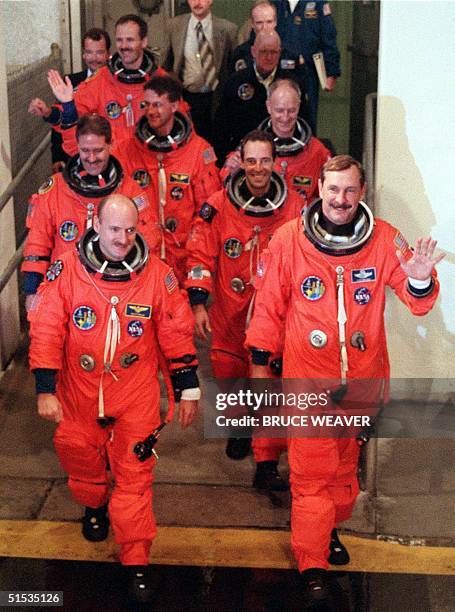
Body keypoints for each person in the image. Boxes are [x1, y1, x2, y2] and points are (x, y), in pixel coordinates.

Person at [245, 155, 443, 605]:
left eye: (350, 190)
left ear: (363, 190)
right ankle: (312, 563)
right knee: (311, 478)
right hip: (307, 384)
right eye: (333, 189)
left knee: (342, 477)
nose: (340, 199)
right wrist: (259, 370)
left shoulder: (384, 239)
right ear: (318, 187)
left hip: (362, 386)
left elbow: (418, 303)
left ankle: (330, 530)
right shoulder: (290, 240)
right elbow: (269, 307)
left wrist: (419, 279)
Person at [28, 193, 200, 604]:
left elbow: (177, 332)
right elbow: (47, 326)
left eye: (129, 229)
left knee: (135, 477)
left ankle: (136, 557)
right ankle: (92, 504)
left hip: (134, 393)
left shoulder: (158, 275)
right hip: (78, 391)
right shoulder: (68, 270)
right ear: (96, 228)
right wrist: (44, 388)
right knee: (79, 456)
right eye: (113, 229)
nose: (122, 238)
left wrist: (187, 389)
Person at [185, 130, 302, 490]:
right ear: (241, 161)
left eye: (264, 160)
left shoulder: (295, 207)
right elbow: (200, 253)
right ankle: (237, 426)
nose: (257, 168)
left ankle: (266, 462)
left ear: (275, 163)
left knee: (269, 384)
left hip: (275, 314)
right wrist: (198, 301)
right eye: (251, 160)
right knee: (230, 370)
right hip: (231, 310)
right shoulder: (218, 206)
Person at [21, 114, 158, 311]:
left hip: (113, 292)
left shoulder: (130, 192)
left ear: (110, 145)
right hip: (62, 289)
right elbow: (37, 245)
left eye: (98, 150)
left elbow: (149, 243)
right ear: (76, 146)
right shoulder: (55, 190)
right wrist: (32, 291)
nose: (91, 158)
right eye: (85, 150)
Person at [112, 75, 220, 283]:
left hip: (184, 257)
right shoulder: (127, 151)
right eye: (147, 105)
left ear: (175, 105)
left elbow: (208, 213)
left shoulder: (199, 151)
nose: (151, 111)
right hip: (140, 258)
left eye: (158, 105)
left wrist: (196, 261)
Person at [30, 15, 172, 146]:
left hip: (150, 160)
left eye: (130, 40)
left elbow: (179, 128)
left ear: (144, 41)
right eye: (119, 40)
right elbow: (73, 115)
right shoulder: (101, 79)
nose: (123, 46)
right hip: (113, 162)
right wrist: (50, 111)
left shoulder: (162, 81)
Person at [222, 78, 331, 206]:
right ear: (268, 107)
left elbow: (329, 196)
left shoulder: (318, 152)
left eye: (291, 110)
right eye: (279, 110)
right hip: (261, 220)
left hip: (298, 221)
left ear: (299, 106)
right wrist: (230, 171)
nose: (285, 117)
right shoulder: (250, 146)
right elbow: (225, 188)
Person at [215, 30, 309, 164]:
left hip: (286, 155)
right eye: (263, 52)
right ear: (253, 51)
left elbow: (306, 123)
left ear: (280, 52)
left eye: (273, 52)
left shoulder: (293, 83)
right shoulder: (236, 82)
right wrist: (225, 158)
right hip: (243, 157)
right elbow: (221, 128)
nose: (269, 57)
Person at [28, 28, 111, 173]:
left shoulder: (116, 83)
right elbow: (61, 125)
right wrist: (57, 157)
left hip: (109, 155)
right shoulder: (70, 83)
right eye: (89, 52)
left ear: (108, 54)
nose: (94, 58)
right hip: (75, 158)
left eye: (99, 52)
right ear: (83, 55)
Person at [161, 0, 237, 144]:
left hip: (216, 98)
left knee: (216, 143)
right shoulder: (174, 26)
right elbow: (166, 64)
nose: (197, 2)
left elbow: (233, 68)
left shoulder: (228, 29)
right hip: (186, 97)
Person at [271, 0, 341, 131]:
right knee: (278, 115)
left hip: (307, 72)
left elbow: (329, 37)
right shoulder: (275, 3)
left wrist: (332, 72)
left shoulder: (318, 3)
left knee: (307, 117)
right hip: (277, 71)